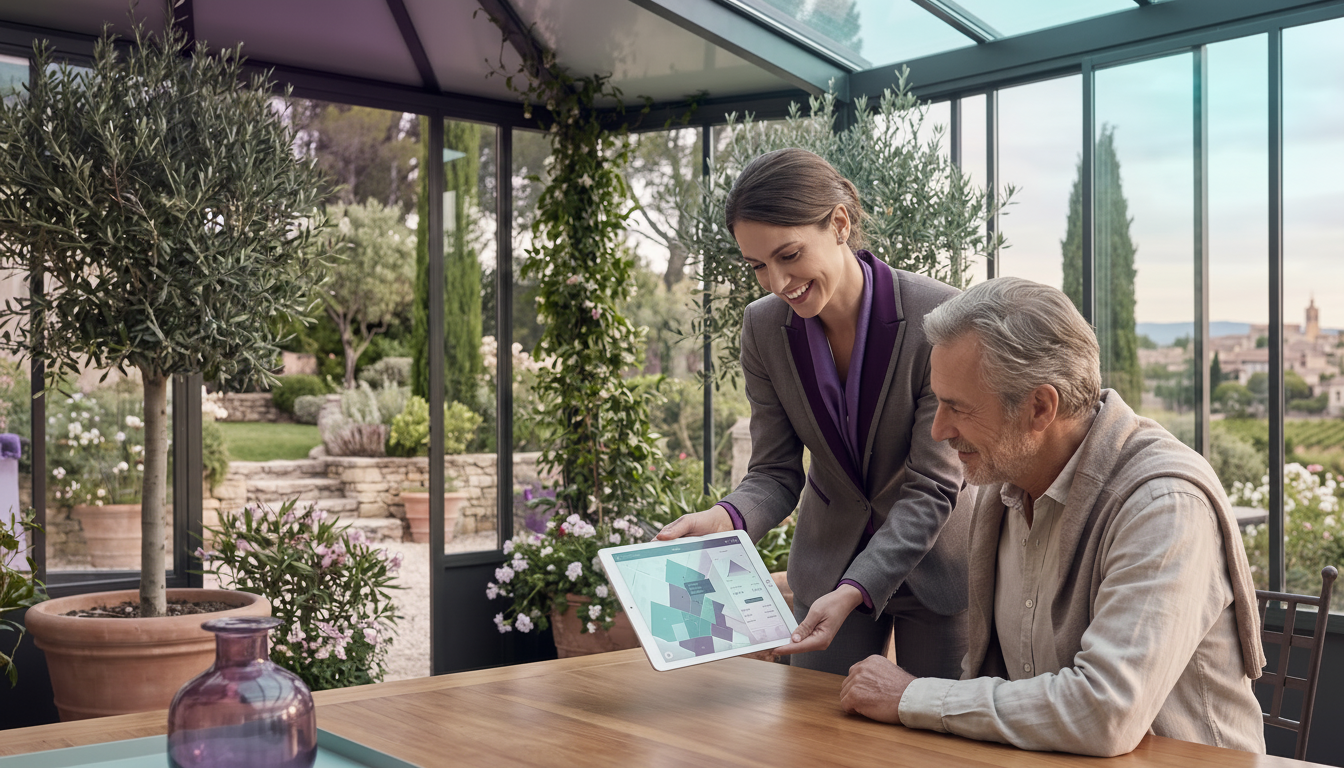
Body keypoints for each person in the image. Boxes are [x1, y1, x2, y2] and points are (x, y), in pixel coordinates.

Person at [839, 276, 1267, 756]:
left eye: (957, 407)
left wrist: (910, 695)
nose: (939, 430)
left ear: (1040, 406)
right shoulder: (1001, 491)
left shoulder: (1163, 506)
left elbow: (1104, 713)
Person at [656, 148, 973, 678]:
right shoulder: (762, 329)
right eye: (758, 265)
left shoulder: (937, 316)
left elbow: (934, 486)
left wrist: (857, 588)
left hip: (937, 572)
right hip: (828, 566)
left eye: (789, 255)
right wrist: (726, 519)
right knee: (813, 742)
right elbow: (775, 473)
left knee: (939, 746)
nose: (777, 283)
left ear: (841, 223)